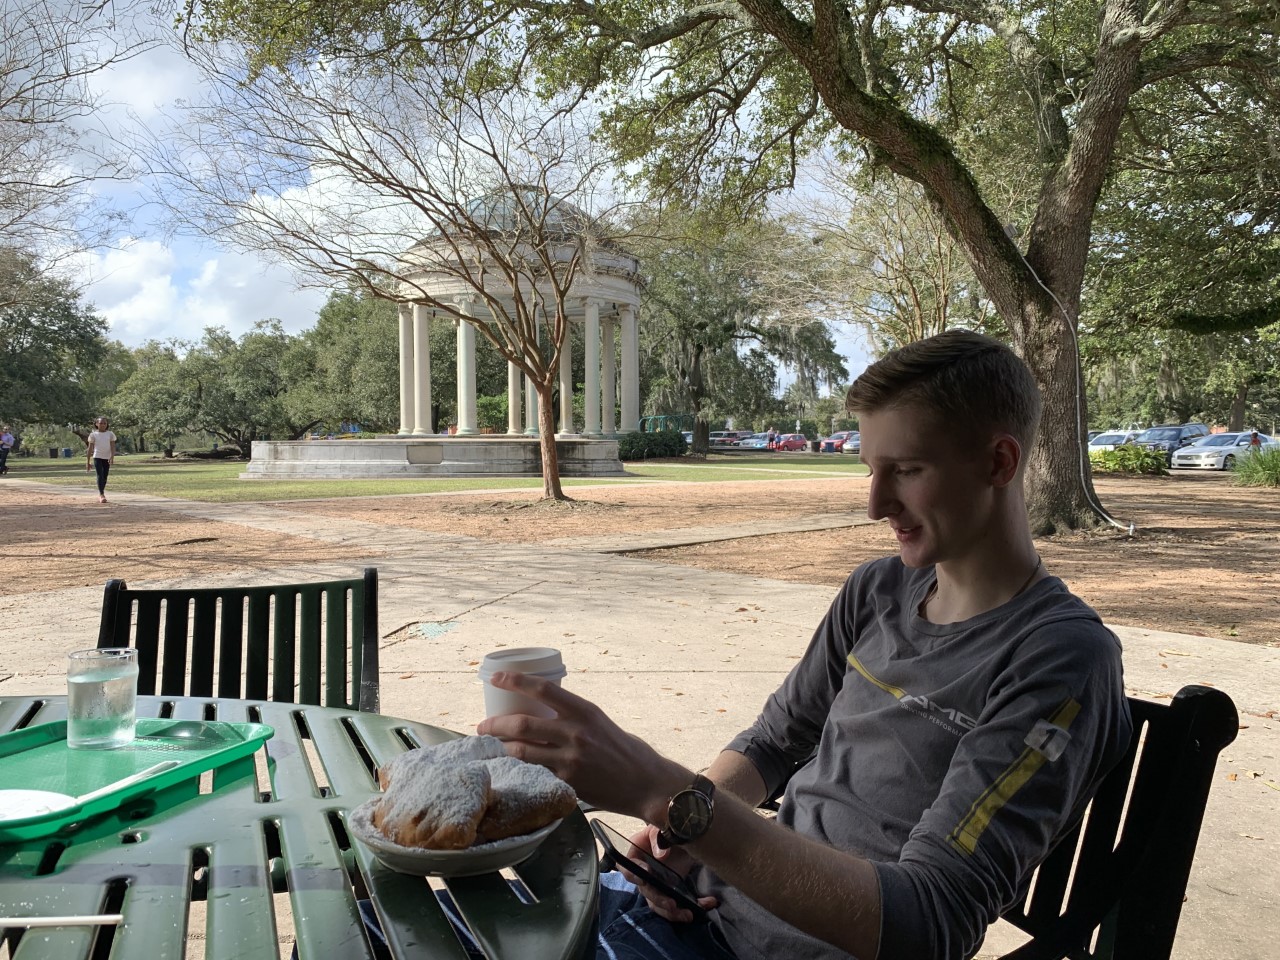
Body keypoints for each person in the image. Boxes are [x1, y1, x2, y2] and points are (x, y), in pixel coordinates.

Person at [479, 330, 1133, 960]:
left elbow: (933, 921)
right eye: (871, 469)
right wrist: (679, 834)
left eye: (906, 470)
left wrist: (669, 794)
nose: (876, 504)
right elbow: (777, 739)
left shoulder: (1060, 658)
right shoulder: (879, 590)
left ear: (1000, 462)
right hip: (694, 908)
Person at [86, 416, 117, 503]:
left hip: (107, 457)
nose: (103, 425)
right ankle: (101, 494)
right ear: (96, 424)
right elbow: (90, 449)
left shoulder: (110, 434)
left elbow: (113, 446)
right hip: (97, 457)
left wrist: (112, 456)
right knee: (100, 474)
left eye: (104, 423)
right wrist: (87, 462)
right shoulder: (93, 435)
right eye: (101, 423)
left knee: (105, 476)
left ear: (107, 424)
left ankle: (101, 492)